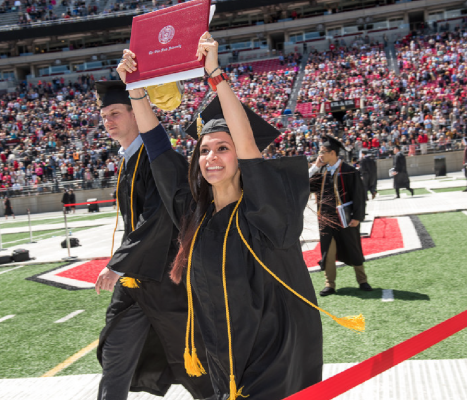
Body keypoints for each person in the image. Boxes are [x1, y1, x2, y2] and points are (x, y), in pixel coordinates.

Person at [120, 33, 346, 400]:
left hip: (273, 357)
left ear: (239, 156)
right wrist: (136, 90)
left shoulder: (266, 216)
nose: (211, 157)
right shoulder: (194, 215)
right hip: (223, 360)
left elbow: (251, 151)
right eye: (204, 149)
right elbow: (159, 151)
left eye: (223, 149)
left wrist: (215, 76)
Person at [93, 80, 213, 400]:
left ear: (136, 114)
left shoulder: (158, 160)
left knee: (192, 363)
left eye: (115, 112)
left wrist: (117, 265)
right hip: (135, 282)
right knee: (114, 353)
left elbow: (157, 219)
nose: (108, 120)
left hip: (164, 282)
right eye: (104, 114)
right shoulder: (129, 159)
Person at [309, 136, 372, 296]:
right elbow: (306, 185)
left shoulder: (349, 170)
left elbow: (359, 196)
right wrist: (315, 167)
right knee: (327, 253)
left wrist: (357, 217)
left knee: (354, 248)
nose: (320, 155)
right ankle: (329, 284)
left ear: (332, 153)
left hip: (346, 219)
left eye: (323, 152)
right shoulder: (321, 170)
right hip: (326, 220)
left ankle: (362, 280)